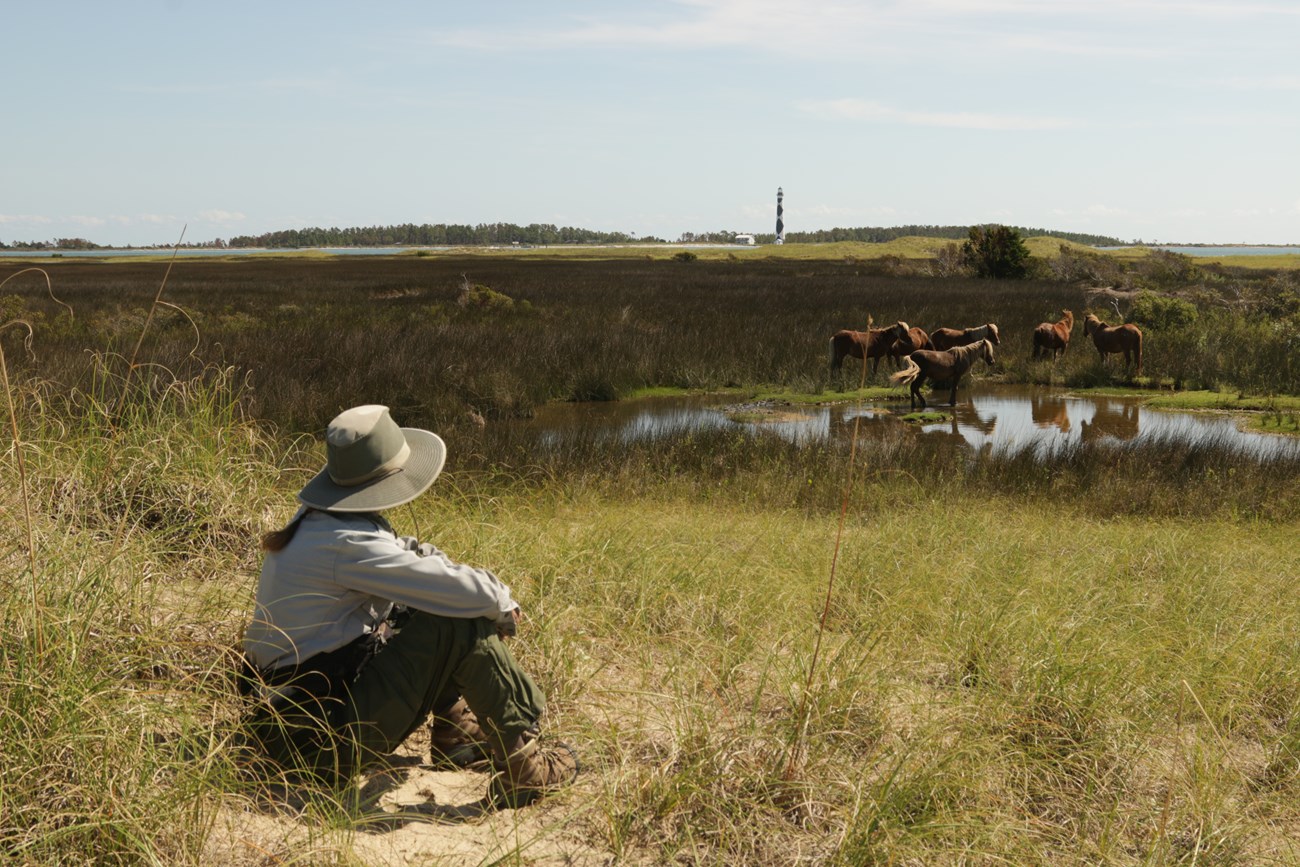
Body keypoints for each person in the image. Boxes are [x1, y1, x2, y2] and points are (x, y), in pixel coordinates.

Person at [239, 404, 577, 808]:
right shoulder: (347, 544)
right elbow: (472, 596)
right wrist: (502, 605)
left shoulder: (320, 521)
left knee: (424, 606)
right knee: (458, 622)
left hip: (290, 729)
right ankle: (528, 770)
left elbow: (413, 560)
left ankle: (458, 735)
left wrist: (470, 593)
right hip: (313, 747)